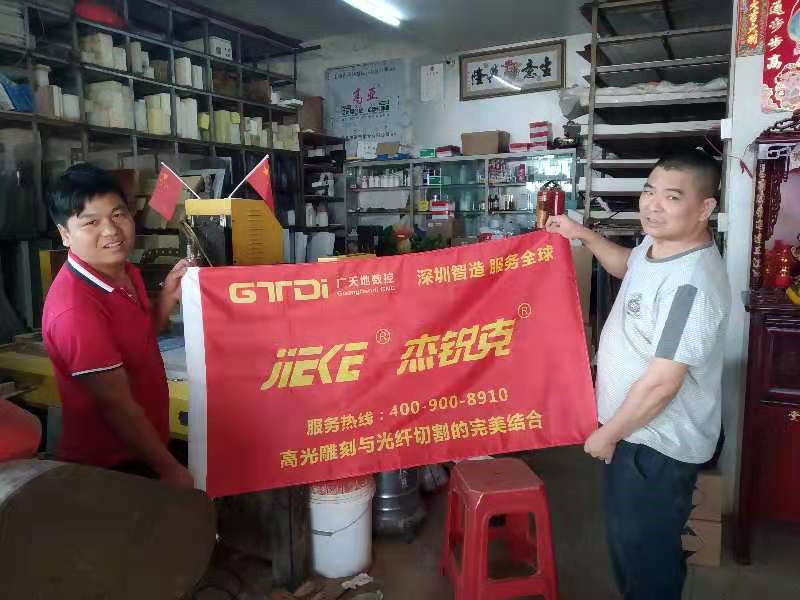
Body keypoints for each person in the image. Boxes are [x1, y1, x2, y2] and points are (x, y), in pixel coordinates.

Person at [546, 150, 731, 600]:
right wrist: (581, 233)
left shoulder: (691, 285)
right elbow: (627, 265)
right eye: (649, 191)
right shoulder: (656, 245)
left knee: (645, 558)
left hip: (654, 445)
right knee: (632, 545)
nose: (653, 205)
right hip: (634, 433)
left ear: (705, 208)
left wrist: (607, 435)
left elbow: (663, 383)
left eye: (672, 197)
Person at [42, 163, 193, 488]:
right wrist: (170, 468)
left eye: (118, 214)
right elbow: (117, 405)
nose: (111, 231)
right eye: (91, 222)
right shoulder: (75, 309)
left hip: (147, 447)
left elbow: (139, 339)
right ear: (65, 235)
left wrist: (167, 297)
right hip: (111, 468)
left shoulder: (124, 272)